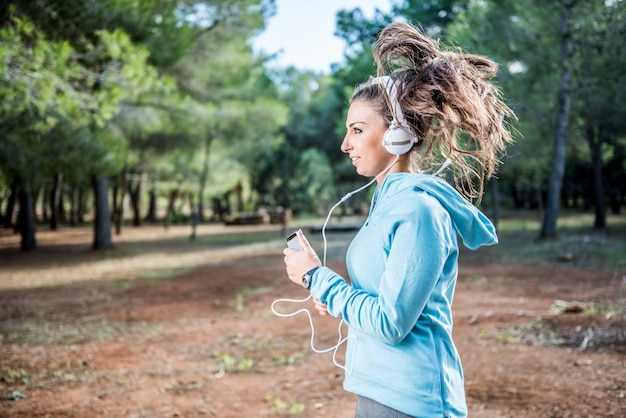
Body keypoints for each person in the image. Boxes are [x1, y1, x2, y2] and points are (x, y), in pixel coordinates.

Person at [282, 21, 515, 418]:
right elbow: (381, 299)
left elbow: (391, 323)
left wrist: (317, 279)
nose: (345, 144)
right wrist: (336, 299)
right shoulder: (386, 204)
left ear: (397, 135)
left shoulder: (419, 211)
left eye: (357, 130)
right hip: (377, 390)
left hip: (414, 400)